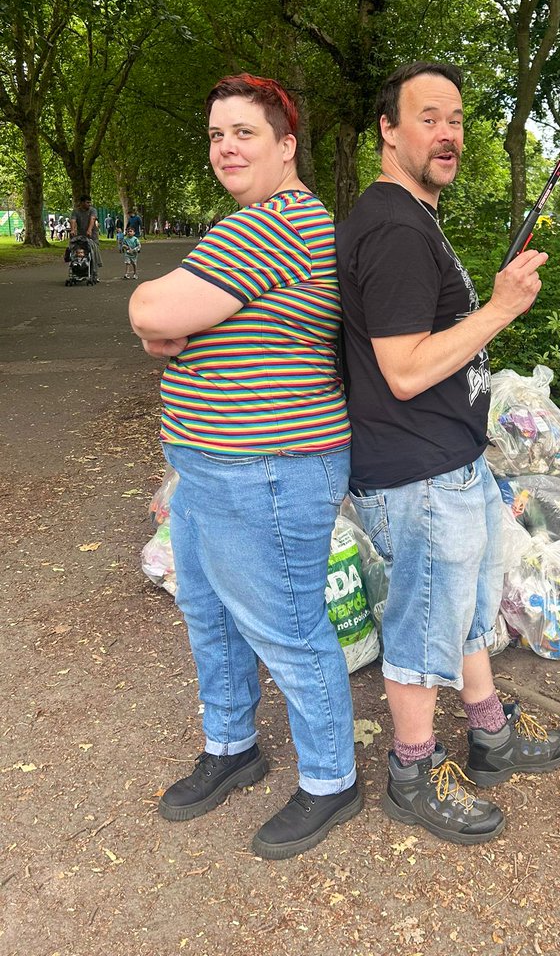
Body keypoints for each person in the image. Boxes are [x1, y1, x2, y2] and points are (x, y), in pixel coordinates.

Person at [336, 61, 560, 846]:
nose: (448, 134)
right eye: (429, 117)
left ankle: (490, 734)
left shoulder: (410, 215)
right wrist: (501, 310)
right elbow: (403, 370)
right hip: (417, 473)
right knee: (424, 625)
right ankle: (411, 770)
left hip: (450, 463)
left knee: (467, 616)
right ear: (388, 130)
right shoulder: (396, 226)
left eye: (458, 120)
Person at [128, 73, 360, 860]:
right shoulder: (260, 225)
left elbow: (152, 311)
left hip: (266, 468)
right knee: (210, 616)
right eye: (217, 135)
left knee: (289, 629)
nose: (226, 146)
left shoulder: (274, 224)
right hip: (211, 467)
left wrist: (164, 324)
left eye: (245, 133)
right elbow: (181, 322)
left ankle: (332, 780)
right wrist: (180, 327)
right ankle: (233, 747)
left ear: (287, 146)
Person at [70, 195, 102, 281]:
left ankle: (94, 274)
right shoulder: (76, 211)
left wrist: (89, 230)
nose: (89, 204)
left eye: (90, 202)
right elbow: (73, 220)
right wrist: (72, 230)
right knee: (81, 254)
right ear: (82, 203)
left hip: (92, 236)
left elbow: (92, 219)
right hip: (81, 236)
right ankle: (79, 271)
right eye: (87, 202)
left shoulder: (93, 210)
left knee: (93, 253)